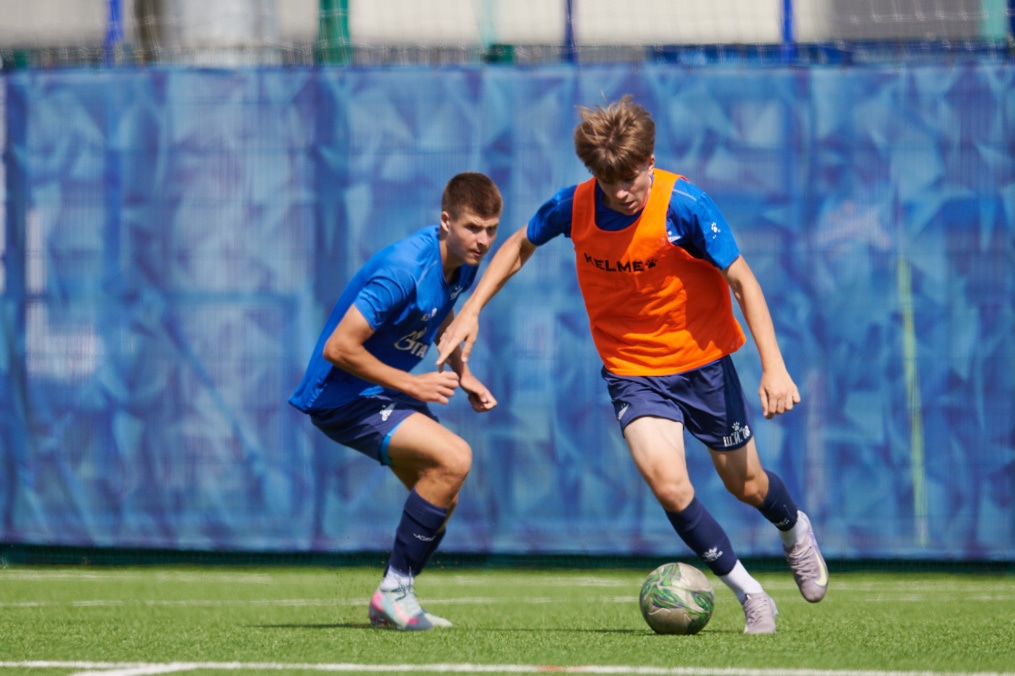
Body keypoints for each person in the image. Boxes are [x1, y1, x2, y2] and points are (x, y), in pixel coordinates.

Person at [436, 97, 827, 634]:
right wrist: (473, 308)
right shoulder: (574, 205)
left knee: (748, 484)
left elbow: (743, 281)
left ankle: (793, 529)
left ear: (649, 161)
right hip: (631, 370)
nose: (620, 191)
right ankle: (752, 595)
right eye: (607, 178)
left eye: (629, 177)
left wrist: (774, 367)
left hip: (703, 364)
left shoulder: (684, 204)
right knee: (668, 485)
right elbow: (521, 243)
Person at [289, 172, 502, 631]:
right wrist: (414, 386)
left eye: (491, 230)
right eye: (472, 227)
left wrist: (465, 375)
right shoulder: (403, 269)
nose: (482, 240)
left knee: (445, 492)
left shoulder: (465, 262)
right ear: (445, 221)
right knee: (455, 457)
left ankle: (395, 595)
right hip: (341, 397)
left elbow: (443, 320)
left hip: (379, 391)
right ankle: (394, 592)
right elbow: (339, 348)